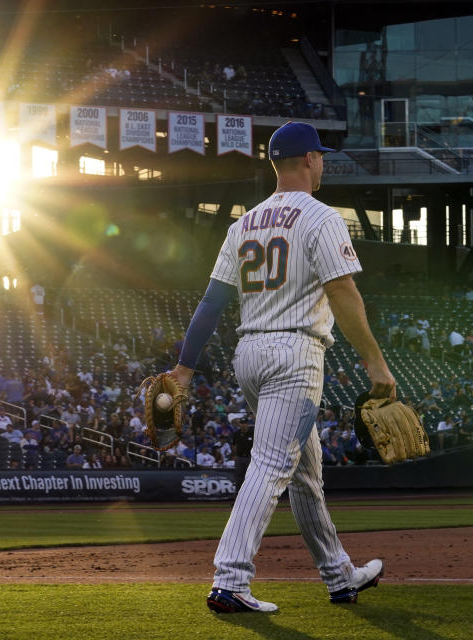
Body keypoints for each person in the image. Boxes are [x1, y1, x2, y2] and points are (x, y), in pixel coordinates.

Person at [165, 122, 390, 614]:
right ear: (309, 159)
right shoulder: (322, 217)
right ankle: (229, 579)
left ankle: (339, 575)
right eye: (321, 156)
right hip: (295, 354)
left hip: (249, 353)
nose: (323, 163)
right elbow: (342, 292)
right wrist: (375, 362)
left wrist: (185, 367)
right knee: (270, 466)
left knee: (305, 475)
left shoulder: (242, 224)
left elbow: (211, 301)